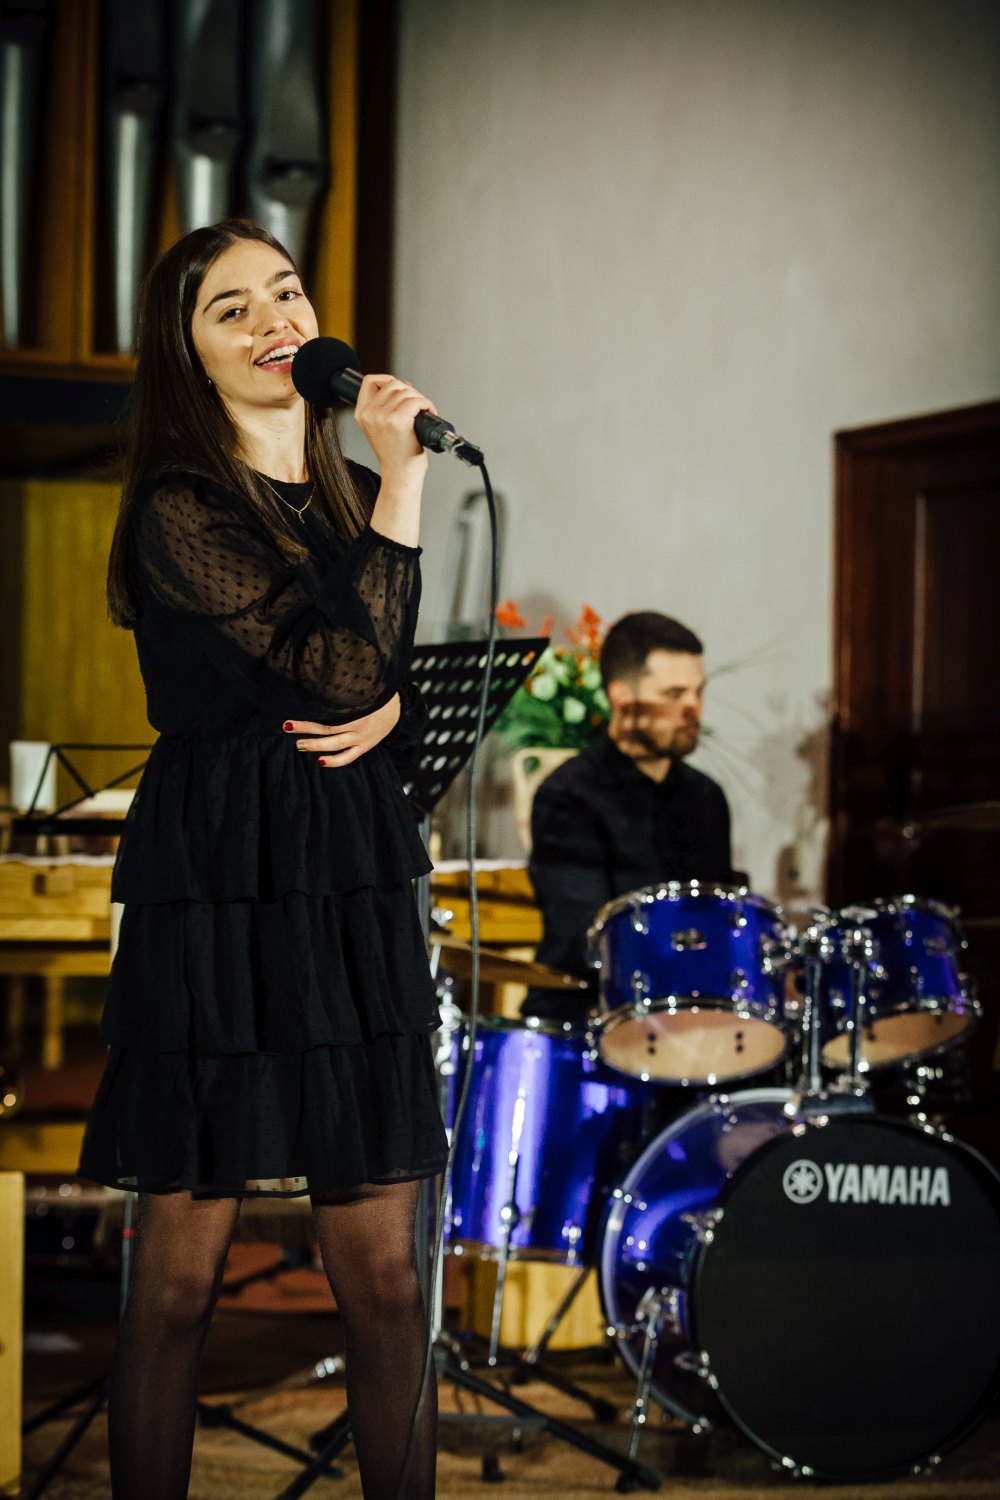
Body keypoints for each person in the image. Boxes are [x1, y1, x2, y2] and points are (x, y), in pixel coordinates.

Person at [78, 218, 446, 1500]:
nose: (273, 320)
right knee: (181, 1282)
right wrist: (404, 483)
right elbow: (341, 667)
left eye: (284, 292)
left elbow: (376, 672)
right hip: (223, 874)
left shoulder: (338, 493)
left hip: (342, 868)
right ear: (185, 351)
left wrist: (390, 704)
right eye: (228, 308)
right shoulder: (181, 504)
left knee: (387, 1279)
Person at [523, 611, 732, 1023]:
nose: (693, 709)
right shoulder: (568, 795)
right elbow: (583, 935)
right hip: (585, 1016)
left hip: (686, 1012)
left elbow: (718, 919)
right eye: (674, 694)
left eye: (698, 692)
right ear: (621, 697)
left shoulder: (706, 797)